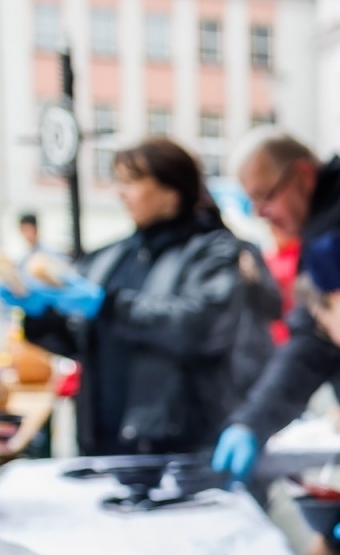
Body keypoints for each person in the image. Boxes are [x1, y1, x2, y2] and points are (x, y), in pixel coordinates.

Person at [0, 138, 277, 456]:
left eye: (131, 181)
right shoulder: (111, 256)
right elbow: (79, 341)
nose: (120, 191)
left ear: (171, 189)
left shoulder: (215, 251)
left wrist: (108, 306)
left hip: (180, 443)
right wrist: (38, 313)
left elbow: (198, 327)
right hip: (103, 443)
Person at [210, 132, 340, 481]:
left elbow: (312, 343)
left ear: (302, 175)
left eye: (265, 196)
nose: (260, 213)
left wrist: (253, 421)